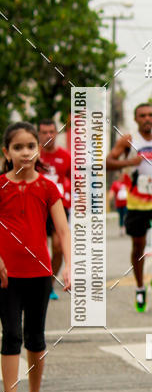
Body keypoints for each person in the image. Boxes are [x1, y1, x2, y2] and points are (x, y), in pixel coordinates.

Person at [0, 122, 71, 392]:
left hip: (40, 271)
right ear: (7, 152)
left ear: (37, 149)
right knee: (11, 335)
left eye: (30, 146)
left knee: (35, 336)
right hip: (6, 275)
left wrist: (68, 264)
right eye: (18, 147)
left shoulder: (47, 187)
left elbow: (63, 230)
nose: (25, 152)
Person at [106, 104, 152, 312]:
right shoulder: (128, 139)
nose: (147, 118)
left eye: (150, 115)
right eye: (142, 115)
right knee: (138, 245)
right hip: (137, 199)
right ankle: (139, 287)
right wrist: (130, 161)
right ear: (136, 119)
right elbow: (108, 162)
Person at [38, 119, 71, 300]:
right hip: (36, 208)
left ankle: (49, 285)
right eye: (44, 132)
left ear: (56, 133)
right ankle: (35, 282)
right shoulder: (34, 155)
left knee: (58, 247)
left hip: (58, 207)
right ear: (39, 134)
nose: (48, 135)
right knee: (38, 248)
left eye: (52, 131)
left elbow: (74, 180)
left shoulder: (65, 156)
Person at [109, 170, 131, 235]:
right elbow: (112, 191)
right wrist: (110, 196)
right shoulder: (115, 184)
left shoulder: (126, 183)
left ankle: (125, 227)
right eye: (120, 175)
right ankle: (121, 228)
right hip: (119, 204)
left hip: (126, 204)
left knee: (126, 216)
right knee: (121, 216)